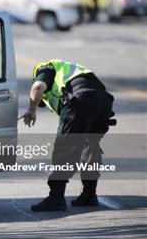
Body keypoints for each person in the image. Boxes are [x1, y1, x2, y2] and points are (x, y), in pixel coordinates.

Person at [19, 59, 115, 212]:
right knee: (91, 147)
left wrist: (31, 109)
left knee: (65, 148)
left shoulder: (45, 68)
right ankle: (89, 195)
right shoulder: (73, 70)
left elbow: (38, 86)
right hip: (103, 101)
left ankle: (56, 197)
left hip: (80, 100)